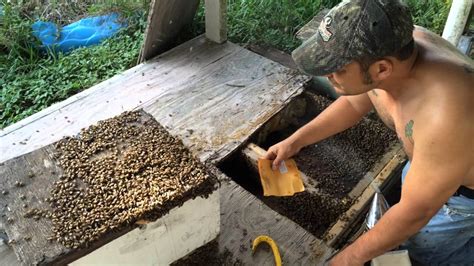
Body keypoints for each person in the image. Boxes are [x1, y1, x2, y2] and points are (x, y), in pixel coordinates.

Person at [263, 0, 474, 265]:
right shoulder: (391, 50)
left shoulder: (445, 116)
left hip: (464, 196)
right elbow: (354, 102)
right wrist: (296, 141)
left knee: (427, 251)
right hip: (439, 160)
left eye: (337, 69)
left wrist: (344, 260)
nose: (329, 75)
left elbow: (415, 212)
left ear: (382, 69)